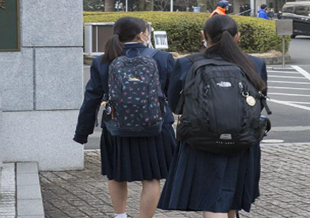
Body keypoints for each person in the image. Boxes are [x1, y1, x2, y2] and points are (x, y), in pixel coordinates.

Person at [158, 15, 268, 217]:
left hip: (200, 140)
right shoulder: (255, 63)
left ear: (203, 36)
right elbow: (259, 102)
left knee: (212, 200)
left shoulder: (186, 63)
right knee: (232, 196)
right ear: (238, 37)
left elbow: (176, 106)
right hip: (243, 141)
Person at [74, 17, 177, 218]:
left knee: (116, 175)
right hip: (154, 127)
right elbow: (173, 94)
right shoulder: (162, 58)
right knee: (151, 177)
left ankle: (120, 216)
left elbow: (92, 98)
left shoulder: (103, 60)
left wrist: (82, 132)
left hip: (116, 127)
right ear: (141, 34)